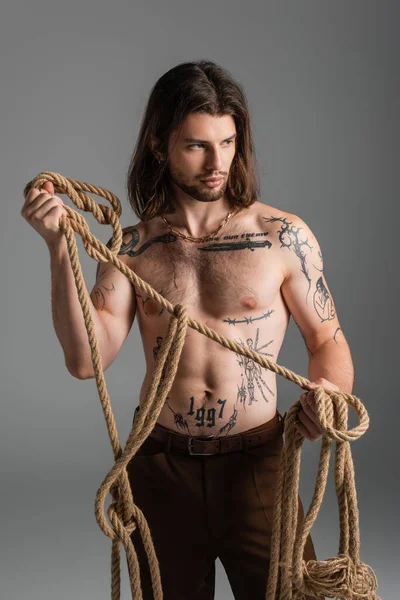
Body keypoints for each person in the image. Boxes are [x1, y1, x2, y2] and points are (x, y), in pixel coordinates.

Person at [21, 60, 354, 600]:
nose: (217, 162)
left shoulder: (281, 237)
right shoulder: (132, 249)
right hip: (162, 466)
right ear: (159, 145)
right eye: (198, 145)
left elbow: (327, 341)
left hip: (259, 464)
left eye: (227, 142)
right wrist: (59, 249)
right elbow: (86, 361)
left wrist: (329, 394)